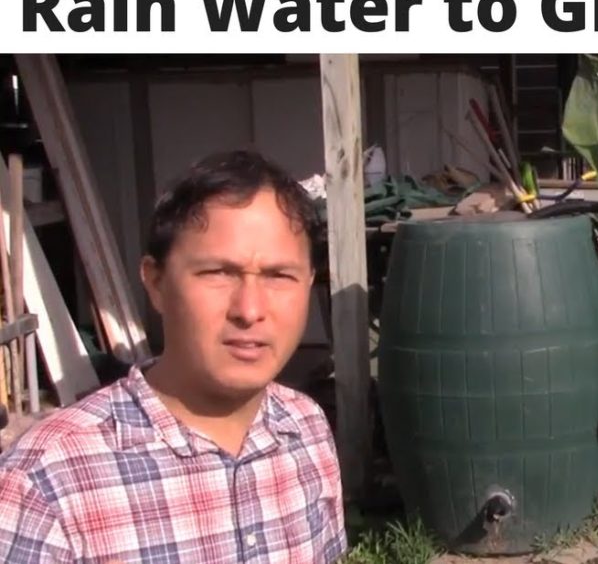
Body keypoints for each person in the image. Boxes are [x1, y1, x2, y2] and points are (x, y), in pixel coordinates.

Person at [0, 150, 348, 563]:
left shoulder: (304, 427)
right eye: (218, 273)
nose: (250, 310)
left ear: (308, 283)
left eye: (279, 276)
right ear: (156, 282)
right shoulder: (48, 478)